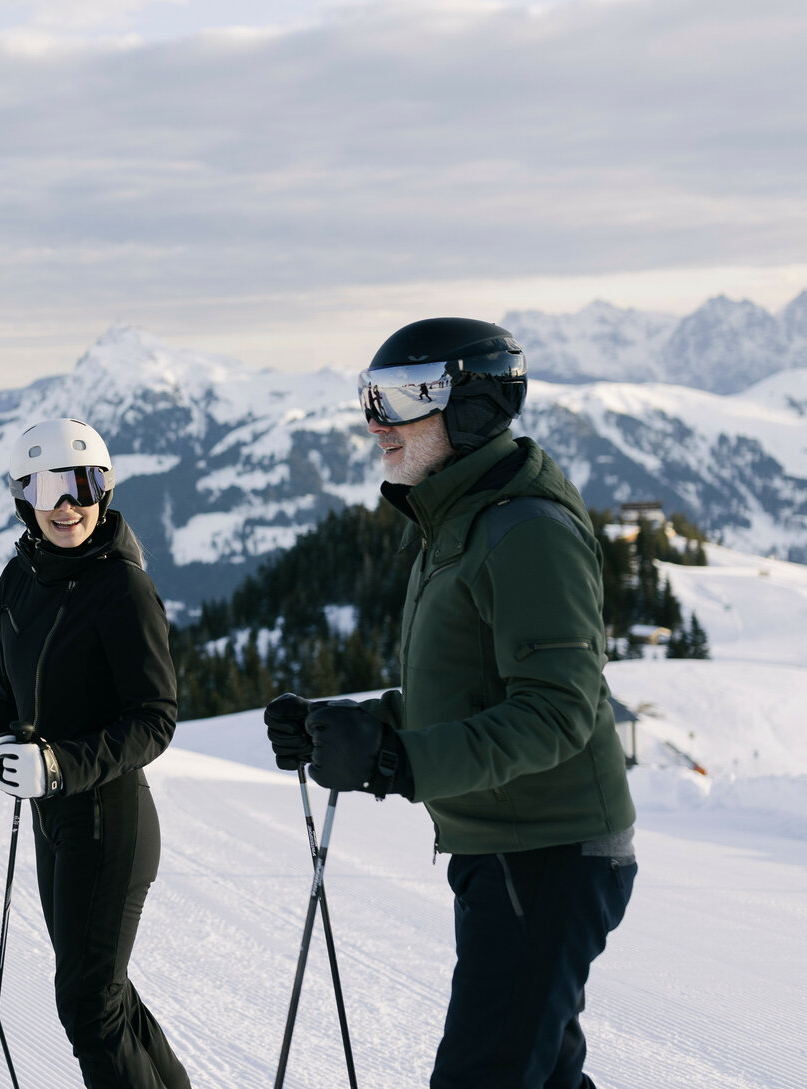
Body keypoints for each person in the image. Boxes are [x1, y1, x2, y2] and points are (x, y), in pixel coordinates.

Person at [265, 317, 636, 1089]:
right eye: (372, 396)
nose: (377, 421)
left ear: (471, 404)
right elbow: (466, 695)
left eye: (402, 396)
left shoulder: (524, 528)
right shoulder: (457, 518)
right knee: (541, 1073)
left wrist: (397, 761)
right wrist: (354, 727)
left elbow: (557, 711)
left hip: (550, 854)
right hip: (503, 849)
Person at [0, 418, 189, 1089]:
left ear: (105, 488)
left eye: (83, 483)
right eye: (46, 487)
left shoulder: (122, 587)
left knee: (87, 1004)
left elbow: (156, 718)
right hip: (55, 821)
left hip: (110, 819)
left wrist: (62, 764)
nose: (67, 503)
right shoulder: (21, 580)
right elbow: (8, 700)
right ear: (23, 498)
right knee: (103, 993)